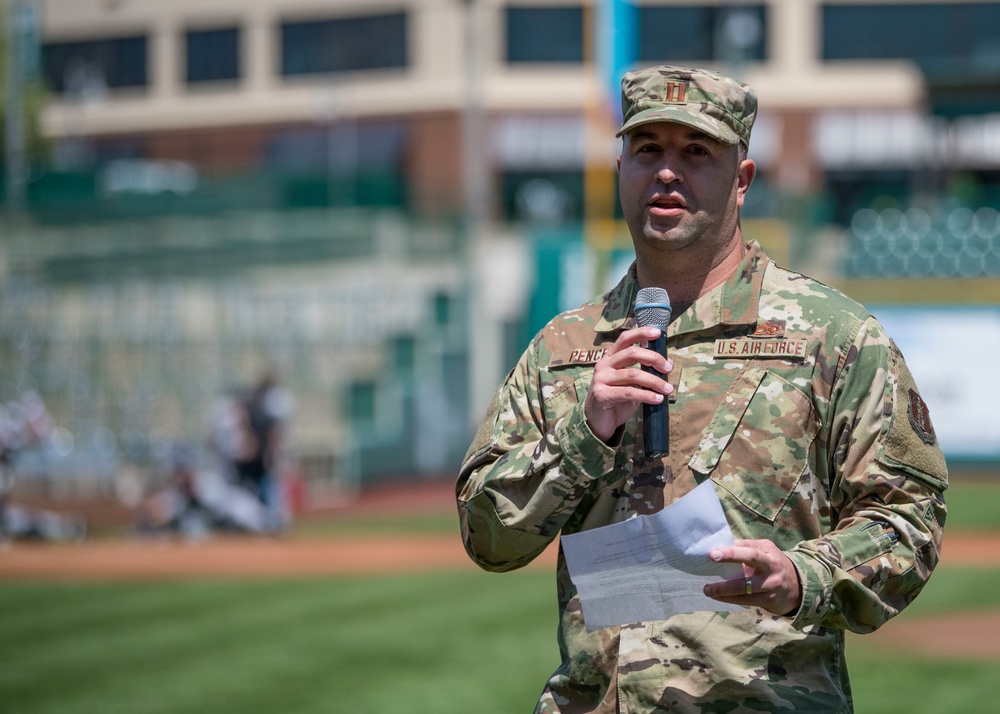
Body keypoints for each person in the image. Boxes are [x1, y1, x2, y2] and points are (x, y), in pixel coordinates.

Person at [456, 65, 947, 712]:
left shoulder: (832, 336)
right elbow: (488, 536)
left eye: (696, 152)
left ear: (741, 181)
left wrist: (806, 574)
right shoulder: (565, 350)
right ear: (622, 168)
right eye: (647, 149)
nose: (666, 171)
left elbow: (910, 517)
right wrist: (586, 429)